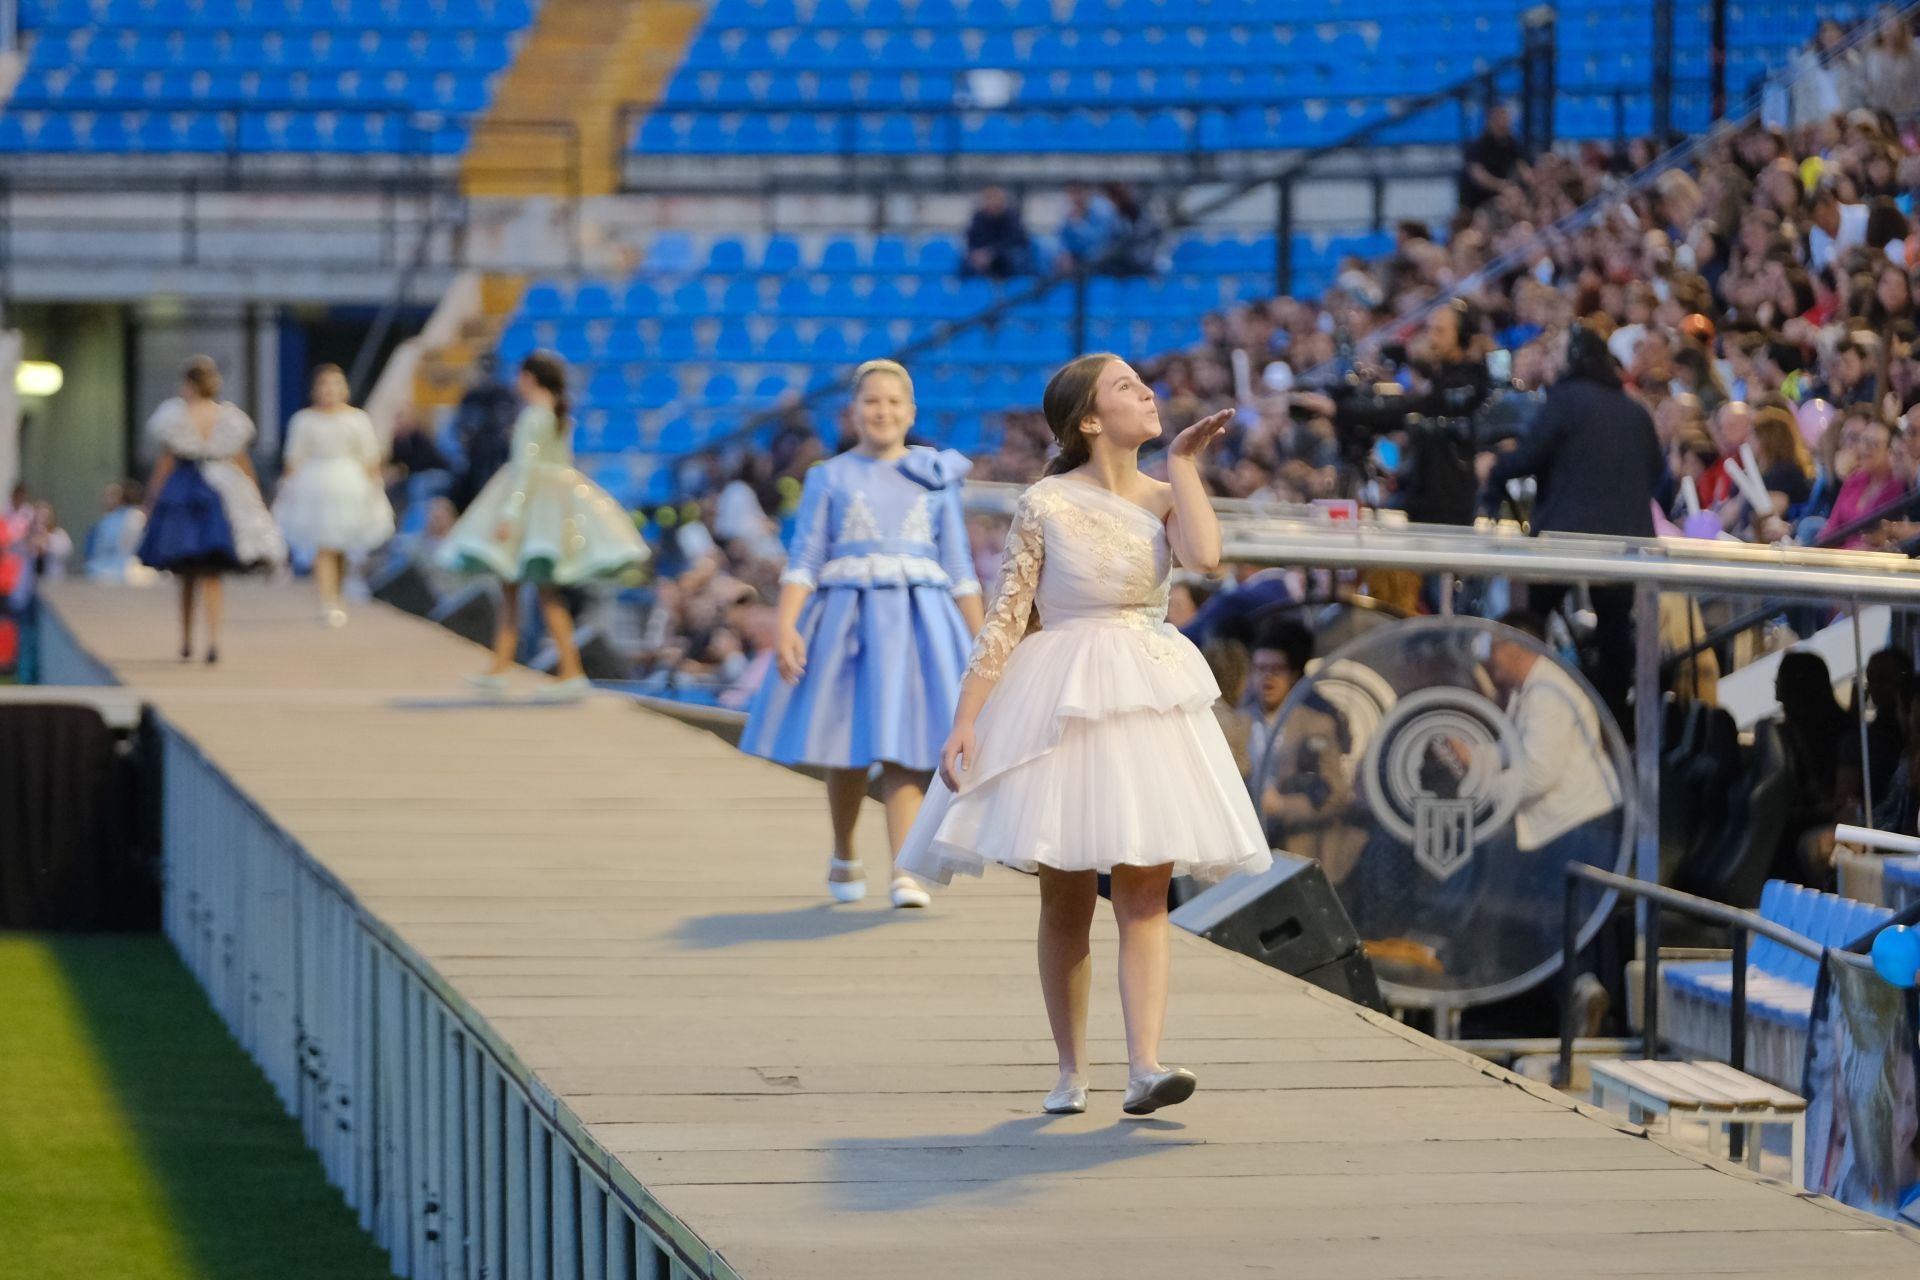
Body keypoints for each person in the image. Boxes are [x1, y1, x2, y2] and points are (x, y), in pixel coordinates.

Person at [898, 353, 1272, 1117]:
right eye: (1127, 387)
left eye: (1145, 383)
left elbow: (1204, 558)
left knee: (1145, 888)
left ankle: (1145, 1064)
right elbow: (1007, 616)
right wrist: (968, 718)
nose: (1148, 393)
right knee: (1066, 896)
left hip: (1146, 687)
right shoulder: (1045, 502)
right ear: (1091, 419)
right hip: (1061, 689)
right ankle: (1071, 1069)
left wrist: (1185, 465)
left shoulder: (1168, 492)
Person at [739, 360, 985, 908]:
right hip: (847, 624)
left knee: (908, 749)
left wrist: (982, 640)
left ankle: (904, 869)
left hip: (919, 625)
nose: (883, 412)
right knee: (847, 748)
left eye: (894, 402)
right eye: (872, 402)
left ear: (911, 411)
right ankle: (845, 849)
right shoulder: (830, 475)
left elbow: (960, 566)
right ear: (853, 412)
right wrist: (786, 624)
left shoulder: (935, 475)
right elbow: (805, 556)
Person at [1479, 324, 1662, 732]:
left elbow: (1526, 456)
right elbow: (1657, 471)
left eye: (1557, 350)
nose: (1549, 360)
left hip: (1566, 538)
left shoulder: (1564, 401)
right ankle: (1616, 724)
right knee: (1616, 628)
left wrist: (1494, 470)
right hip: (1625, 543)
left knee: (1533, 619)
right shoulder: (1635, 410)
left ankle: (1521, 710)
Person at [439, 351, 648, 700]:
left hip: (531, 511)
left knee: (530, 592)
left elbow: (525, 471)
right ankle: (508, 667)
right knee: (528, 591)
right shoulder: (557, 415)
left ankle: (562, 668)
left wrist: (509, 516)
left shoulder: (533, 417)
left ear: (530, 379)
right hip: (549, 510)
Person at [136, 356, 285, 663]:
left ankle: (186, 640)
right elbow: (243, 462)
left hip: (184, 494)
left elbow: (165, 464)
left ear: (189, 384)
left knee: (186, 575)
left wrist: (151, 501)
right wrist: (255, 497)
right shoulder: (228, 419)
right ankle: (213, 641)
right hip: (221, 493)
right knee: (214, 575)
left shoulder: (175, 418)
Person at [274, 364, 396, 627]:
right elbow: (294, 458)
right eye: (324, 384)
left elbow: (370, 456)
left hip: (348, 486)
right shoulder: (303, 420)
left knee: (340, 546)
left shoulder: (357, 419)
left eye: (334, 384)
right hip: (315, 487)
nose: (329, 390)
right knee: (323, 545)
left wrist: (374, 487)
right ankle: (327, 601)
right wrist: (287, 488)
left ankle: (336, 595)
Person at [1818, 412, 1905, 548]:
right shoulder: (1854, 479)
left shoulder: (1896, 489)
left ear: (1891, 451)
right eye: (1864, 441)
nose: (1866, 448)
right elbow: (1832, 527)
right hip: (1837, 557)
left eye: (1874, 444)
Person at [450, 353, 519, 512]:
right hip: (474, 457)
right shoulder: (470, 396)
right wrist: (468, 436)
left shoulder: (504, 395)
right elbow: (460, 426)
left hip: (498, 457)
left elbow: (506, 424)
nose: (484, 375)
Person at [1458, 103, 1527, 212]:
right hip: (1475, 201)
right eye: (1499, 120)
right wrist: (1503, 186)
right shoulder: (1478, 145)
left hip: (1498, 200)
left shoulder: (1511, 143)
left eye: (1506, 120)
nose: (1504, 124)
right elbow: (1478, 175)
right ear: (1490, 122)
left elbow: (1521, 165)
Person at [961, 186, 1033, 279]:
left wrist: (992, 254)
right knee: (967, 262)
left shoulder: (1012, 217)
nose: (992, 203)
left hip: (1007, 255)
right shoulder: (978, 218)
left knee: (1016, 259)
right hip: (984, 256)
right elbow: (972, 240)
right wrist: (977, 254)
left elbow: (1014, 241)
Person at [83, 480, 147, 583]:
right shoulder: (108, 520)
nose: (107, 500)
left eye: (112, 496)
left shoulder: (131, 517)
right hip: (115, 572)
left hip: (114, 572)